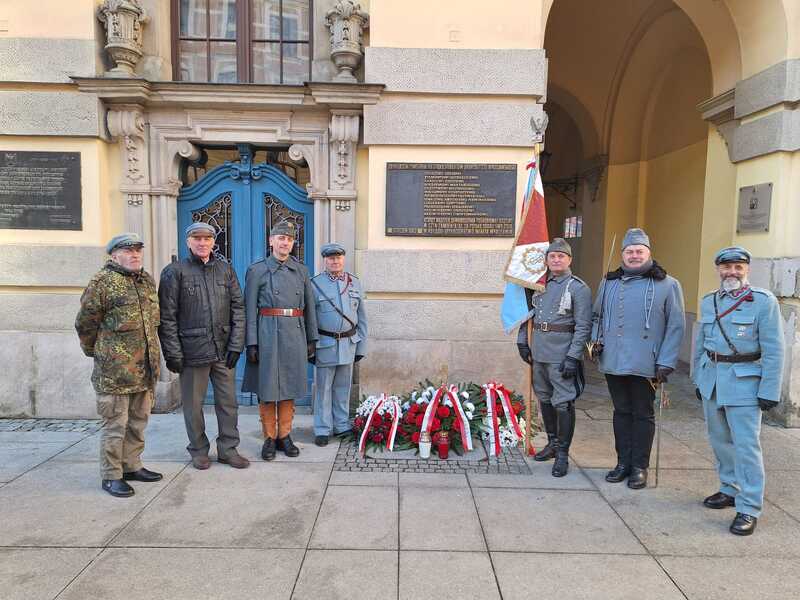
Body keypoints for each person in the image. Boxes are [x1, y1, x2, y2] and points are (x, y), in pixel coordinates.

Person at [693, 246, 784, 536]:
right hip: (713, 380)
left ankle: (749, 507)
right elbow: (701, 344)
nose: (731, 272)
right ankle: (729, 489)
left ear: (747, 269)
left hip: (745, 381)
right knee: (719, 441)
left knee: (746, 447)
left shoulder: (763, 302)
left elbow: (774, 349)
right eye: (726, 267)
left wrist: (769, 389)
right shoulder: (710, 301)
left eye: (738, 267)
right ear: (718, 269)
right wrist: (698, 379)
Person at [591, 228, 685, 489]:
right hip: (613, 359)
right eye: (629, 251)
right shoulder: (608, 283)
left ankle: (639, 467)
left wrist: (666, 361)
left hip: (647, 362)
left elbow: (676, 325)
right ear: (622, 254)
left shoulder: (668, 284)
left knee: (642, 414)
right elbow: (597, 316)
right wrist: (595, 341)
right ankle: (623, 463)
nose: (634, 256)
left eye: (639, 251)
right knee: (621, 412)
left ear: (648, 254)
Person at [75, 233, 162, 498]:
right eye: (128, 250)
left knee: (138, 422)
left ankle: (132, 465)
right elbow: (85, 324)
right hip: (115, 372)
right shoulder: (102, 282)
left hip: (144, 369)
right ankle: (112, 475)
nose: (135, 255)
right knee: (116, 425)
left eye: (138, 250)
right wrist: (99, 353)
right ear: (114, 255)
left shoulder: (146, 281)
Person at [158, 222, 249, 470]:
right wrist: (173, 353)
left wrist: (236, 345)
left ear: (213, 242)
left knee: (228, 403)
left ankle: (228, 449)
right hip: (191, 351)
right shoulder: (174, 272)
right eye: (196, 238)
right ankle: (198, 449)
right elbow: (167, 317)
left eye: (207, 238)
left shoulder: (225, 270)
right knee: (193, 406)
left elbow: (238, 309)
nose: (202, 242)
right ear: (188, 242)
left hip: (222, 350)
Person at [242, 220, 318, 460]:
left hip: (294, 332)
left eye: (289, 239)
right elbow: (249, 309)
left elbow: (310, 307)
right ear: (271, 241)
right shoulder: (257, 270)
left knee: (289, 386)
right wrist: (251, 342)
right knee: (267, 388)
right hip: (266, 332)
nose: (285, 242)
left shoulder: (302, 270)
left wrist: (311, 338)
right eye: (281, 238)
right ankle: (269, 437)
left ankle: (285, 435)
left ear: (292, 243)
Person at [517, 238, 592, 476]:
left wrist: (573, 356)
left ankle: (562, 454)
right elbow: (526, 316)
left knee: (563, 402)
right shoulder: (538, 285)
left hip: (562, 353)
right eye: (552, 256)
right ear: (547, 261)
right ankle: (551, 443)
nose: (556, 260)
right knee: (544, 398)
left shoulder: (578, 288)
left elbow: (583, 326)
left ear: (569, 259)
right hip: (539, 350)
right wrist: (523, 342)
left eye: (561, 256)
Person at [311, 242, 368, 446]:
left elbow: (362, 317)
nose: (335, 261)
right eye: (331, 258)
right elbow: (310, 319)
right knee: (324, 388)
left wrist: (361, 347)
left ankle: (342, 425)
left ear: (343, 259)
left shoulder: (354, 282)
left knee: (343, 387)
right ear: (325, 260)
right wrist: (311, 346)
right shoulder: (314, 284)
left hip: (349, 344)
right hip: (325, 344)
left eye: (338, 257)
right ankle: (322, 429)